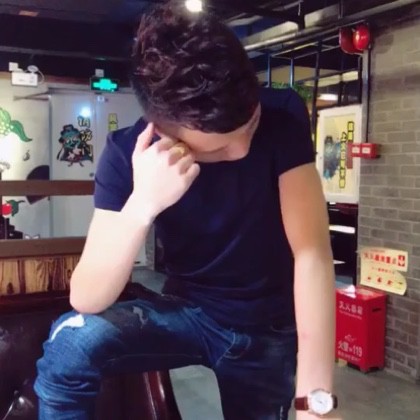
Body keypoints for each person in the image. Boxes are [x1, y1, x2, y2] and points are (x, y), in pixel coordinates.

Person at [35, 3, 341, 419]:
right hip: (188, 313)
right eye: (220, 148)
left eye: (250, 125)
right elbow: (87, 297)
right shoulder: (127, 155)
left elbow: (312, 254)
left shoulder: (282, 115)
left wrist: (315, 401)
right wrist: (143, 202)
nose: (242, 149)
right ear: (163, 133)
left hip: (268, 325)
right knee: (69, 343)